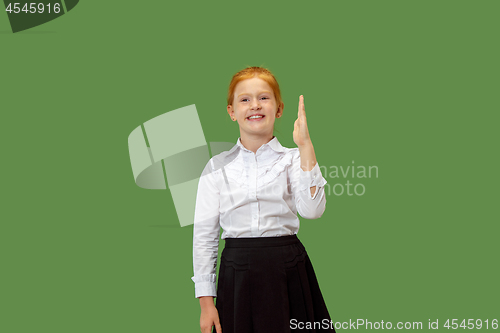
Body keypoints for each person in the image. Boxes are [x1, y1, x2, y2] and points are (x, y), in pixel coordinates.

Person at [192, 66, 335, 333]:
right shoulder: (216, 166)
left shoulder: (294, 159)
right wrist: (206, 303)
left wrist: (306, 146)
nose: (254, 105)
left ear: (279, 109)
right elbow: (204, 236)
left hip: (289, 268)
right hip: (237, 273)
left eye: (264, 98)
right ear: (232, 112)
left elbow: (313, 211)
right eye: (244, 99)